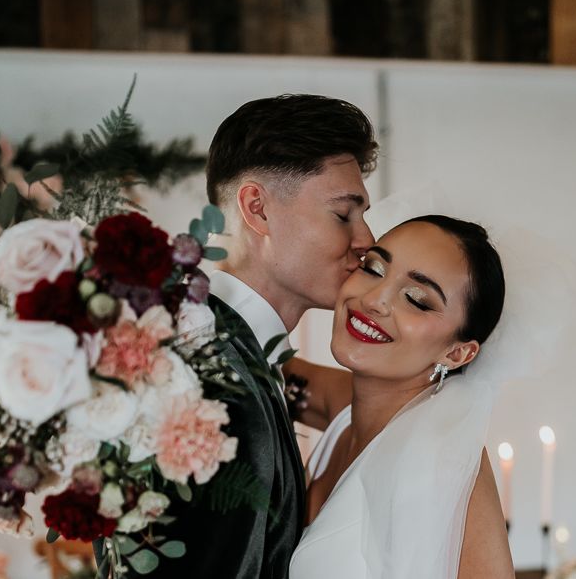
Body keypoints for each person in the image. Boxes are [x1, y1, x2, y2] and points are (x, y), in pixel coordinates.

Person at [96, 93, 378, 578]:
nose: (366, 239)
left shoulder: (220, 350)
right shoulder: (206, 384)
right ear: (257, 208)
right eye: (343, 214)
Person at [288, 216, 515, 578]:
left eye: (416, 299)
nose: (374, 299)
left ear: (457, 354)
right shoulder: (343, 404)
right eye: (374, 268)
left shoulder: (441, 464)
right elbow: (250, 368)